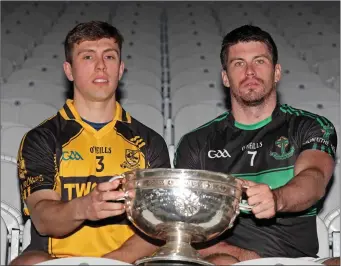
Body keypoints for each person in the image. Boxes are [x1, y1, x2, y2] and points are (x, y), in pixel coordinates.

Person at [174, 25, 339, 265]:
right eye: (238, 63)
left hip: (302, 261)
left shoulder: (311, 126)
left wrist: (276, 198)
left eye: (259, 61)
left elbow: (314, 179)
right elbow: (188, 228)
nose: (250, 72)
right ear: (225, 77)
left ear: (277, 72)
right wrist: (247, 258)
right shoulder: (196, 143)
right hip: (232, 259)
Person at [11, 21, 170, 265]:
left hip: (127, 260)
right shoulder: (42, 138)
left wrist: (106, 263)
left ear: (120, 69)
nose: (100, 66)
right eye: (87, 57)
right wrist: (84, 207)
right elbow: (42, 219)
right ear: (69, 70)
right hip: (57, 258)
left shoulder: (149, 142)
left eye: (109, 56)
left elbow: (157, 227)